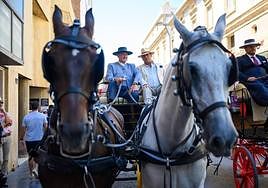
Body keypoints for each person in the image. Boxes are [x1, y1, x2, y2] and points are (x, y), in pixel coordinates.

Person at [237, 38, 268, 130]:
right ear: (245, 48)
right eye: (250, 47)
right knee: (260, 88)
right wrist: (247, 78)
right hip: (251, 81)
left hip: (265, 79)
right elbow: (237, 72)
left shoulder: (262, 58)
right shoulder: (240, 60)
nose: (253, 48)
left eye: (254, 46)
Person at [21, 101, 48, 178]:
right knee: (38, 155)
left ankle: (30, 174)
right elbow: (46, 128)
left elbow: (23, 129)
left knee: (30, 156)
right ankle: (36, 169)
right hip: (40, 139)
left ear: (31, 107)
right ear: (38, 107)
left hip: (29, 139)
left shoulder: (26, 117)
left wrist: (21, 139)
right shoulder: (42, 116)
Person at [0, 97, 12, 186]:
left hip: (7, 137)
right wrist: (5, 124)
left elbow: (9, 122)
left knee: (6, 159)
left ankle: (3, 177)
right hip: (0, 137)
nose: (0, 103)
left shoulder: (4, 113)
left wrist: (4, 111)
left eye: (1, 102)